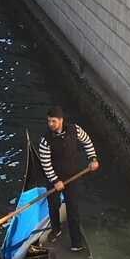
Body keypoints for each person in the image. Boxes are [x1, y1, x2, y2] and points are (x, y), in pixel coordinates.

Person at [38, 106, 99, 250]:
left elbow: (87, 141)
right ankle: (56, 229)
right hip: (54, 179)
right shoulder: (45, 141)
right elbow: (45, 164)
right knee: (53, 206)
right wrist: (55, 181)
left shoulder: (75, 130)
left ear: (61, 120)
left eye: (53, 121)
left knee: (73, 209)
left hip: (72, 177)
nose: (50, 124)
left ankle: (76, 242)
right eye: (48, 121)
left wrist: (93, 158)